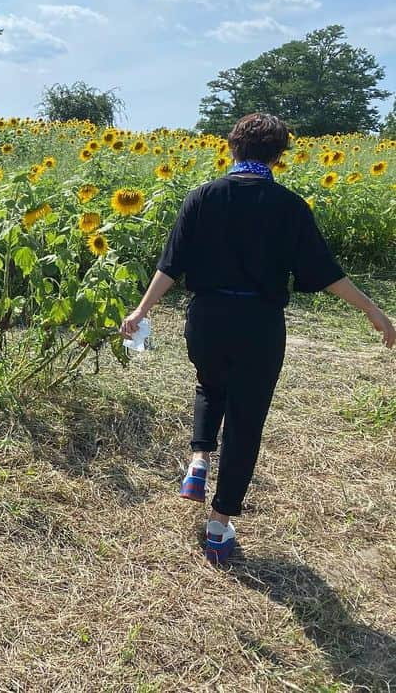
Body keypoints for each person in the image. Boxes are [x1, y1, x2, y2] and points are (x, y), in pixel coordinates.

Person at [120, 113, 395, 564]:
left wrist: (141, 310)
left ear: (232, 148)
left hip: (207, 317)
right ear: (279, 155)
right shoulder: (289, 207)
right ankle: (218, 526)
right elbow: (326, 274)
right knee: (246, 421)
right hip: (259, 323)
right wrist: (373, 311)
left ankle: (198, 463)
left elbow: (169, 265)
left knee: (210, 383)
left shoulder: (202, 197)